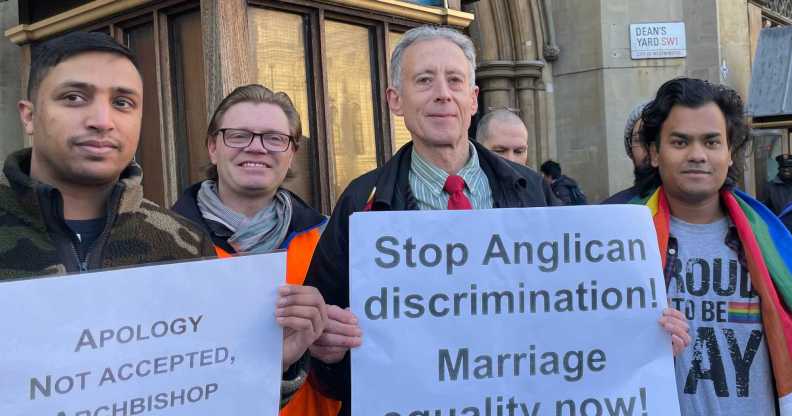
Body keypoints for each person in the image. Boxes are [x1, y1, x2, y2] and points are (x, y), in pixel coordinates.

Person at [2, 32, 324, 408]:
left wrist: (272, 364)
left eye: (122, 102)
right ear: (28, 114)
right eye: (74, 97)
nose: (101, 120)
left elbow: (208, 393)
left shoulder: (181, 242)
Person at [171, 84, 339, 415]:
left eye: (274, 138)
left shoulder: (328, 239)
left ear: (291, 153)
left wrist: (339, 349)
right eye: (238, 135)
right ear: (213, 147)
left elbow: (353, 371)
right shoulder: (163, 245)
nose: (256, 148)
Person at [636, 77, 792, 415]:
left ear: (730, 153)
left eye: (711, 142)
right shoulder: (620, 244)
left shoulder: (775, 243)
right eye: (680, 142)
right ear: (653, 153)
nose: (697, 155)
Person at [603, 101, 654, 204]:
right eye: (639, 140)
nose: (650, 149)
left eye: (654, 138)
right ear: (630, 151)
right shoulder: (614, 209)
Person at [763, 154, 792, 232]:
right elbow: (765, 212)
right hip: (780, 232)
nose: (786, 170)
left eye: (789, 167)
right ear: (779, 169)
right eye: (784, 168)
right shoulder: (770, 187)